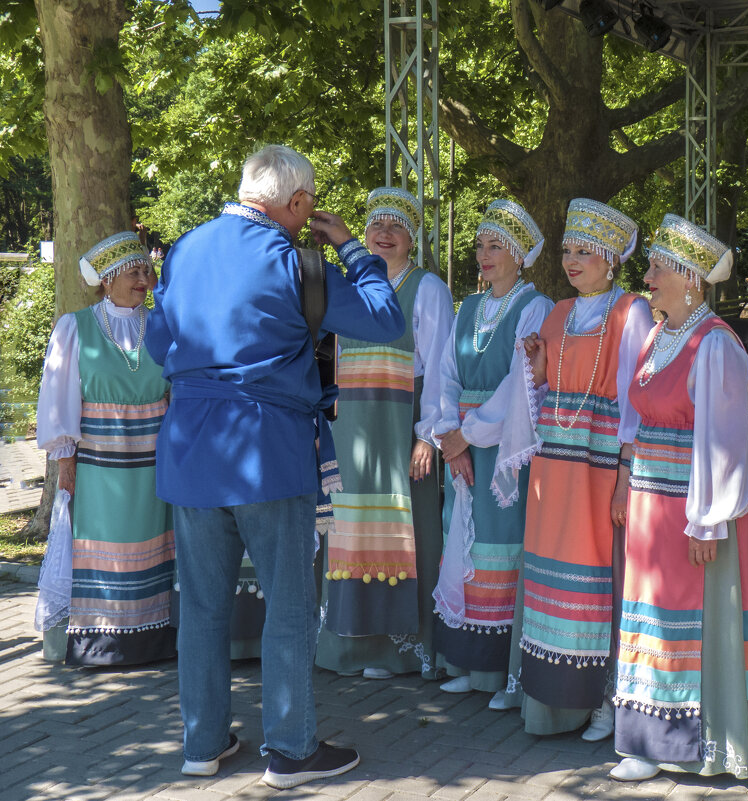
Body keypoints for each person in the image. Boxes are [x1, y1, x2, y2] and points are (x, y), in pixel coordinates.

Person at [145, 145, 405, 790]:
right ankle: (290, 751)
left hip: (190, 449)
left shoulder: (185, 248)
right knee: (288, 606)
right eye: (309, 206)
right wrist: (351, 247)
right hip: (268, 449)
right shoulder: (298, 261)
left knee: (202, 607)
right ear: (297, 204)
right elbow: (385, 318)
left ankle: (202, 744)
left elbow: (157, 341)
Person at [610, 214, 748, 782]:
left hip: (688, 510)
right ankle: (647, 739)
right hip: (653, 505)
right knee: (648, 617)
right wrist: (626, 479)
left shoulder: (714, 344)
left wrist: (706, 522)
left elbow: (723, 445)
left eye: (656, 267)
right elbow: (640, 422)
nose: (646, 277)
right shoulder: (660, 333)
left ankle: (686, 743)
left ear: (691, 280)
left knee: (683, 620)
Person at [519, 199, 652, 741]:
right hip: (554, 468)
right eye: (568, 251)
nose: (572, 261)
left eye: (584, 253)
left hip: (599, 469)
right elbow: (548, 391)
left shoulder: (632, 312)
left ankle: (604, 700)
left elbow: (635, 402)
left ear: (612, 259)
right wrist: (536, 364)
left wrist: (626, 476)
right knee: (555, 576)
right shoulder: (557, 313)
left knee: (602, 579)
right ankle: (554, 703)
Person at [316, 187, 454, 679]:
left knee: (405, 529)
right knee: (348, 528)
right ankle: (351, 647)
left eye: (396, 227)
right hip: (351, 422)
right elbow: (327, 358)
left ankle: (401, 648)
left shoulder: (428, 288)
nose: (384, 234)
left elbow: (441, 366)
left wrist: (427, 434)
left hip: (399, 421)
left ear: (411, 238)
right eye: (376, 225)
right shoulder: (351, 288)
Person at [432, 199, 553, 709]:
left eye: (496, 245)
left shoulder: (535, 307)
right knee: (463, 543)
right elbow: (444, 377)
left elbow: (520, 386)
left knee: (502, 544)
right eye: (480, 244)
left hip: (506, 448)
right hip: (464, 443)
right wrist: (446, 435)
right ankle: (468, 662)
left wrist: (469, 435)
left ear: (520, 254)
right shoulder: (467, 308)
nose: (484, 254)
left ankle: (505, 674)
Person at [35, 232, 175, 666]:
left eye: (146, 271)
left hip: (155, 464)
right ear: (107, 279)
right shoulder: (74, 327)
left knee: (157, 544)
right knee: (102, 546)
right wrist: (66, 463)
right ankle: (101, 645)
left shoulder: (164, 324)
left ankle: (155, 640)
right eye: (133, 272)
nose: (143, 279)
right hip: (98, 465)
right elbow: (58, 401)